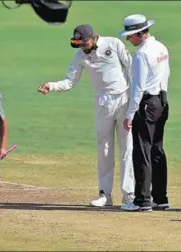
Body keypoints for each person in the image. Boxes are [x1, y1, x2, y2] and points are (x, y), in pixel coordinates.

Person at [37, 24, 135, 207]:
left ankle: (129, 195)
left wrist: (135, 100)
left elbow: (131, 69)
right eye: (79, 44)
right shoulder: (80, 56)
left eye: (84, 43)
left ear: (94, 37)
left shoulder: (114, 44)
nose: (83, 47)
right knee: (104, 149)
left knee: (127, 149)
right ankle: (105, 195)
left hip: (124, 99)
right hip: (102, 104)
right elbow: (69, 81)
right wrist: (51, 85)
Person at [118, 14, 171, 212]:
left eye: (131, 35)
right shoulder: (161, 47)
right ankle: (160, 198)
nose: (128, 39)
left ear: (140, 33)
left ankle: (142, 200)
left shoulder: (141, 54)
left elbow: (138, 88)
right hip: (162, 101)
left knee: (142, 152)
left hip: (146, 103)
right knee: (157, 150)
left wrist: (130, 114)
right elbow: (166, 74)